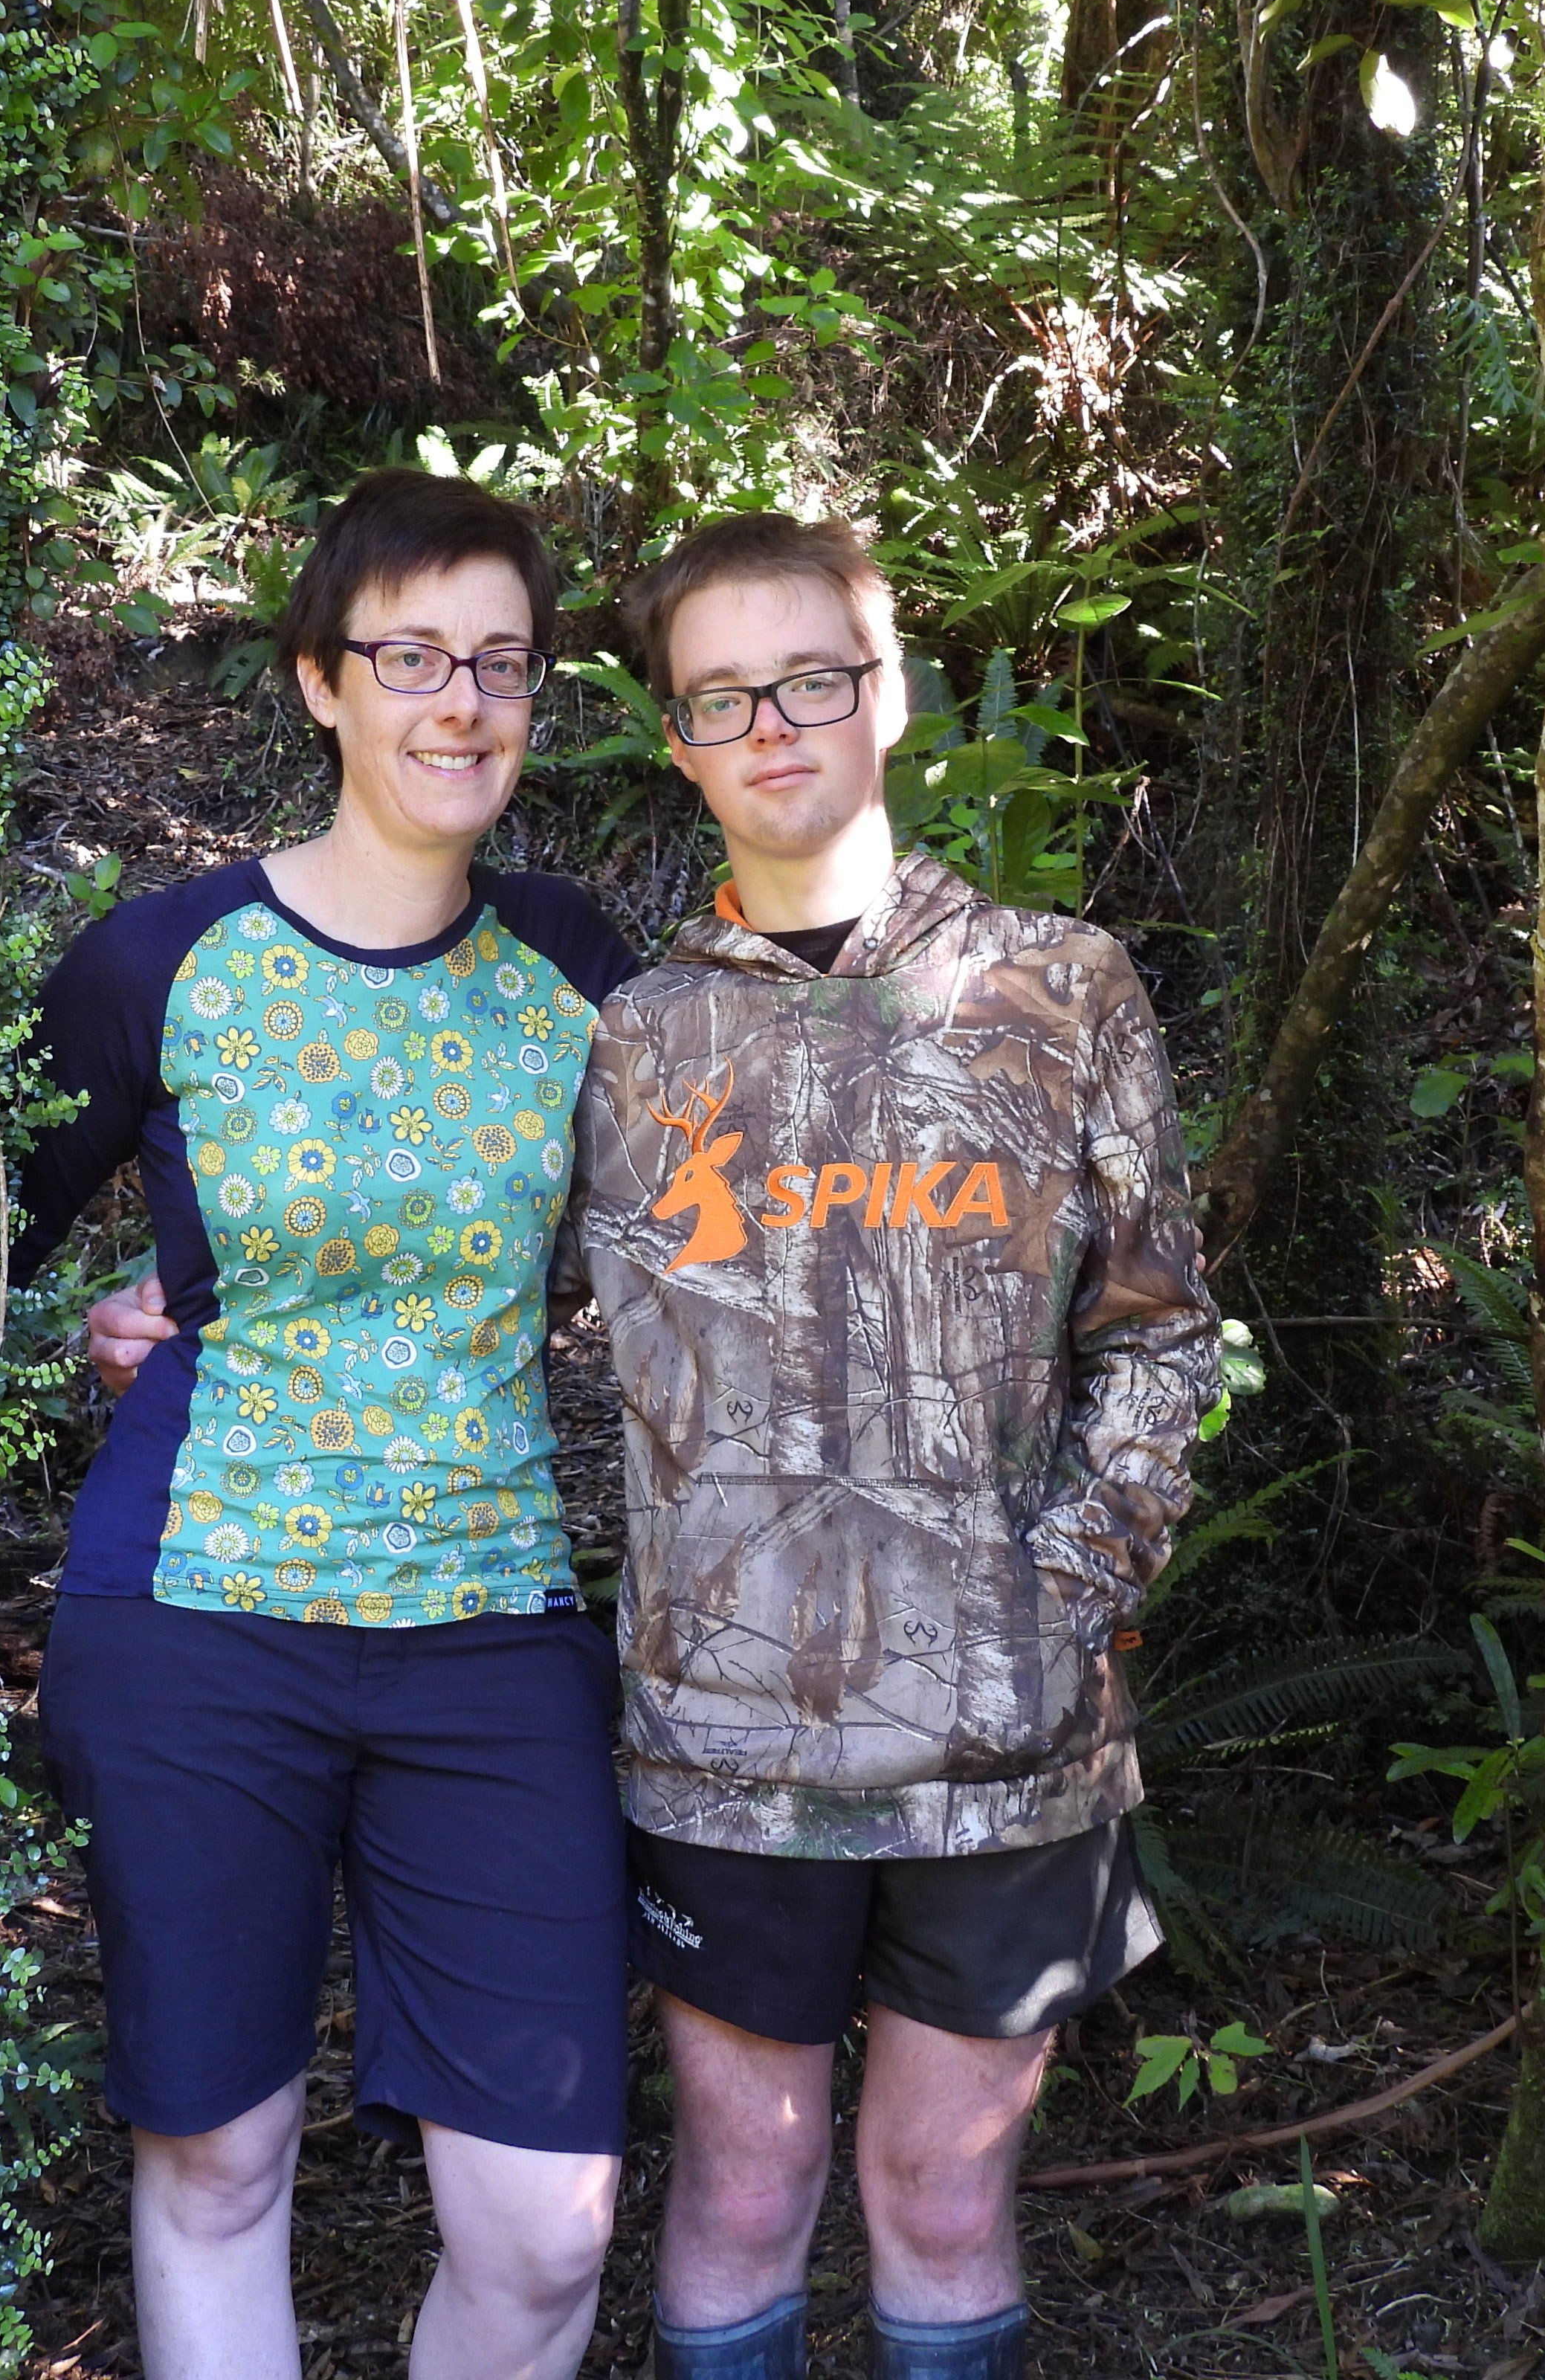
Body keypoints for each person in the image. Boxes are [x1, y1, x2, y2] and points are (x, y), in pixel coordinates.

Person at [0, 466, 641, 2380]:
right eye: (410, 655)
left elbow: (713, 1246)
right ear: (322, 684)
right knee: (221, 2157)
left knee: (547, 2232)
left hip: (489, 1628)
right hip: (196, 1621)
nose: (461, 703)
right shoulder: (162, 960)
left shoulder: (580, 967)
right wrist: (49, 1337)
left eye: (501, 663)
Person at [580, 513, 1218, 2380]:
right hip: (724, 1741)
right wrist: (176, 1312)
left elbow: (1162, 1335)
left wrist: (1070, 1589)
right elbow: (488, 1321)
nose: (774, 724)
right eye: (722, 695)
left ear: (890, 690)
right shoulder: (634, 1039)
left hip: (1007, 1740)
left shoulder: (1060, 987)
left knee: (943, 2190)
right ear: (679, 738)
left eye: (813, 678)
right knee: (745, 2183)